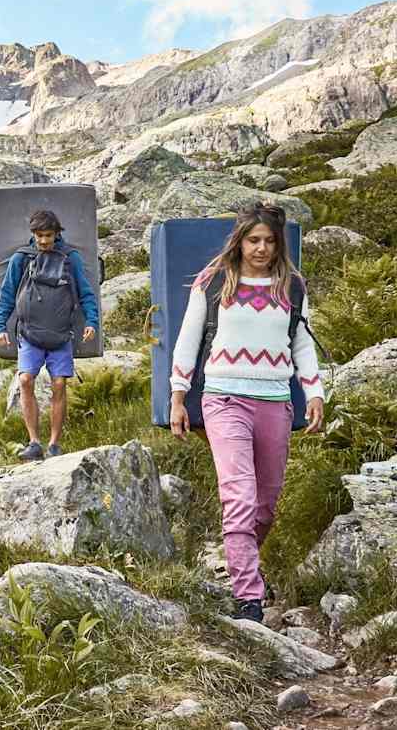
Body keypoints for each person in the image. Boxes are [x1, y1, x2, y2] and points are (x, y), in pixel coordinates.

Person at [168, 202, 325, 623]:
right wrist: (178, 396)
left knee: (266, 507)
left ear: (279, 245)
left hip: (275, 401)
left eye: (270, 241)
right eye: (254, 240)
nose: (261, 248)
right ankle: (248, 598)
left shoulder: (292, 287)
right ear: (239, 241)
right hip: (223, 399)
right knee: (239, 496)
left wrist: (314, 392)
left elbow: (303, 343)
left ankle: (241, 561)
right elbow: (186, 340)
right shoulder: (215, 281)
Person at [0, 209, 100, 462]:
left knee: (59, 384)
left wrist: (92, 321)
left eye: (48, 235)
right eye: (39, 235)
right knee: (26, 380)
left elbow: (86, 292)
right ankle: (33, 442)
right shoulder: (22, 258)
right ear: (33, 234)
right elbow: (7, 294)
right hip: (29, 334)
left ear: (57, 233)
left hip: (61, 335)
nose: (43, 241)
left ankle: (54, 444)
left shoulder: (69, 258)